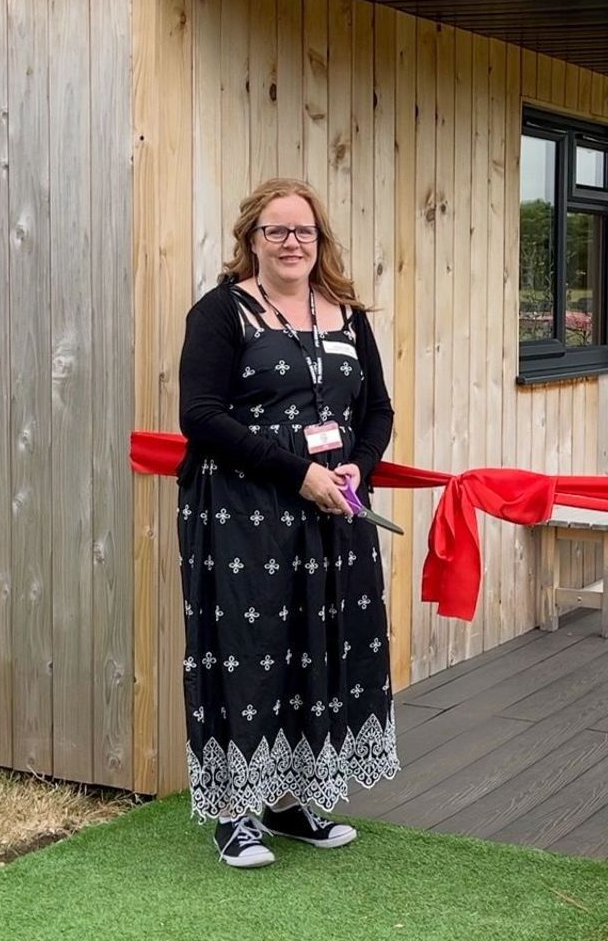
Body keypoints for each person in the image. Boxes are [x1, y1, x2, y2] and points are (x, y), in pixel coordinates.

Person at [175, 178, 399, 868]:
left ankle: (293, 802)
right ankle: (233, 813)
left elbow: (378, 411)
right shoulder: (222, 312)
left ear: (319, 240)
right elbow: (201, 416)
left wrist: (358, 466)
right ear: (252, 239)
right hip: (244, 514)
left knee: (321, 645)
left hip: (334, 513)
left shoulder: (348, 315)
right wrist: (297, 473)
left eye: (303, 231)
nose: (291, 242)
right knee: (249, 651)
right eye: (275, 231)